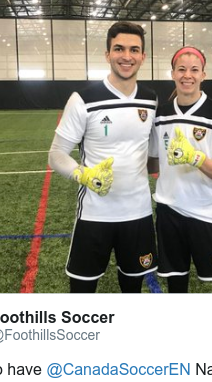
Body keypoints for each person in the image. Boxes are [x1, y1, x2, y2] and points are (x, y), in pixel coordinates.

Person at [48, 21, 157, 293]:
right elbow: (57, 154)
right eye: (119, 48)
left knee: (132, 288)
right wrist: (83, 175)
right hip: (95, 216)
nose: (127, 56)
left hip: (138, 214)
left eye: (134, 50)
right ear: (107, 54)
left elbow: (154, 155)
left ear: (143, 56)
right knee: (83, 290)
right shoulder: (83, 99)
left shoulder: (152, 101)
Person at [150, 46, 212, 293]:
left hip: (207, 213)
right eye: (181, 69)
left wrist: (196, 158)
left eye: (194, 70)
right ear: (172, 74)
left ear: (203, 74)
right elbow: (152, 163)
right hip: (169, 213)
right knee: (176, 285)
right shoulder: (160, 116)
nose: (187, 75)